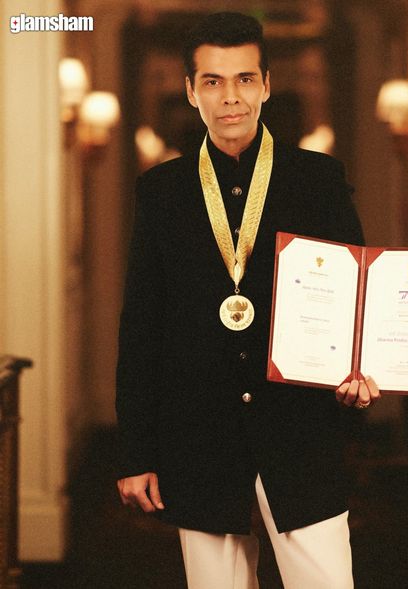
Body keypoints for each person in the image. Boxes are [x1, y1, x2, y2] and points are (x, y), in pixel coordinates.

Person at [116, 11, 380, 589]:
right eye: (212, 81)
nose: (229, 97)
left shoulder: (319, 180)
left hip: (300, 434)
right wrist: (136, 451)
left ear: (265, 83)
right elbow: (142, 328)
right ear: (190, 90)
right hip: (199, 437)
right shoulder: (161, 193)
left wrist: (363, 371)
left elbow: (357, 301)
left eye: (242, 79)